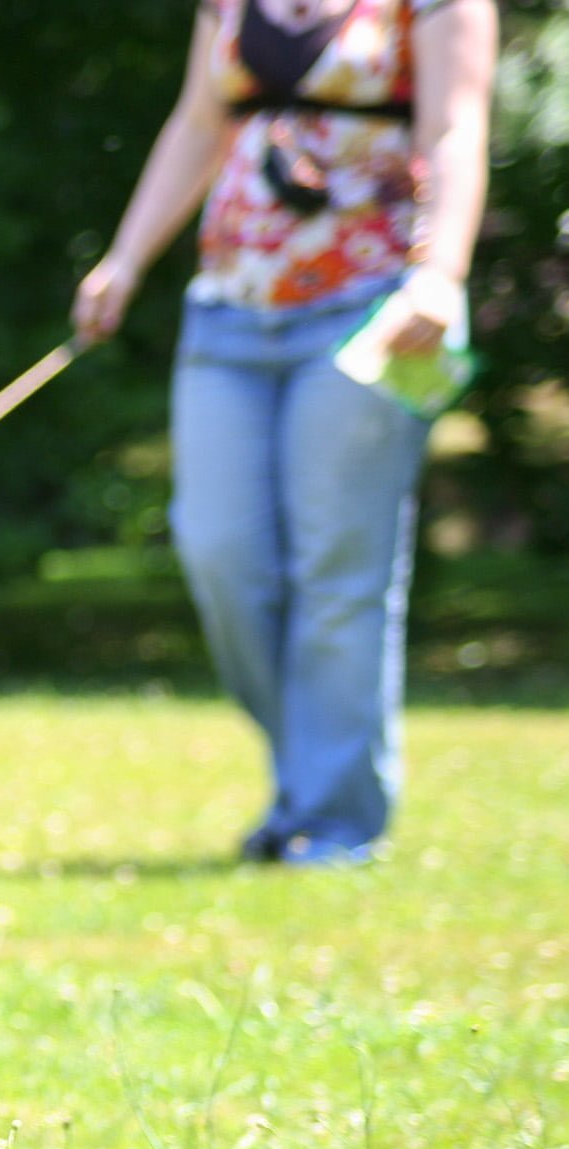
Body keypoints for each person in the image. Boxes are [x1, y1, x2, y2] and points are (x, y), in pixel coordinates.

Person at [73, 0, 497, 866]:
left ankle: (333, 821)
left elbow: (455, 127)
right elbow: (198, 122)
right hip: (229, 304)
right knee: (219, 552)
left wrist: (441, 274)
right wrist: (125, 258)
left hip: (371, 308)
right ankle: (308, 782)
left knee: (338, 569)